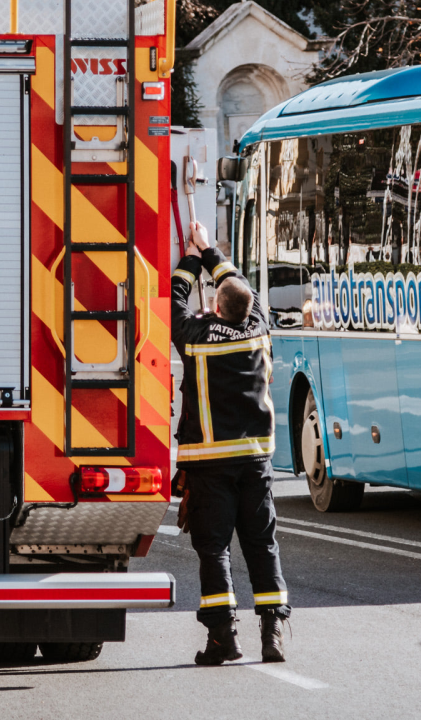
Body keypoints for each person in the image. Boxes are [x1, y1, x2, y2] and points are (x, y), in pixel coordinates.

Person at [172, 220, 289, 666]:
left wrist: (191, 256)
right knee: (262, 544)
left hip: (210, 465)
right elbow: (239, 289)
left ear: (215, 308)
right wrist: (213, 254)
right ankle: (272, 633)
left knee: (214, 548)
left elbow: (176, 300)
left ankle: (223, 637)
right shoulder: (259, 327)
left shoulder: (196, 339)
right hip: (256, 463)